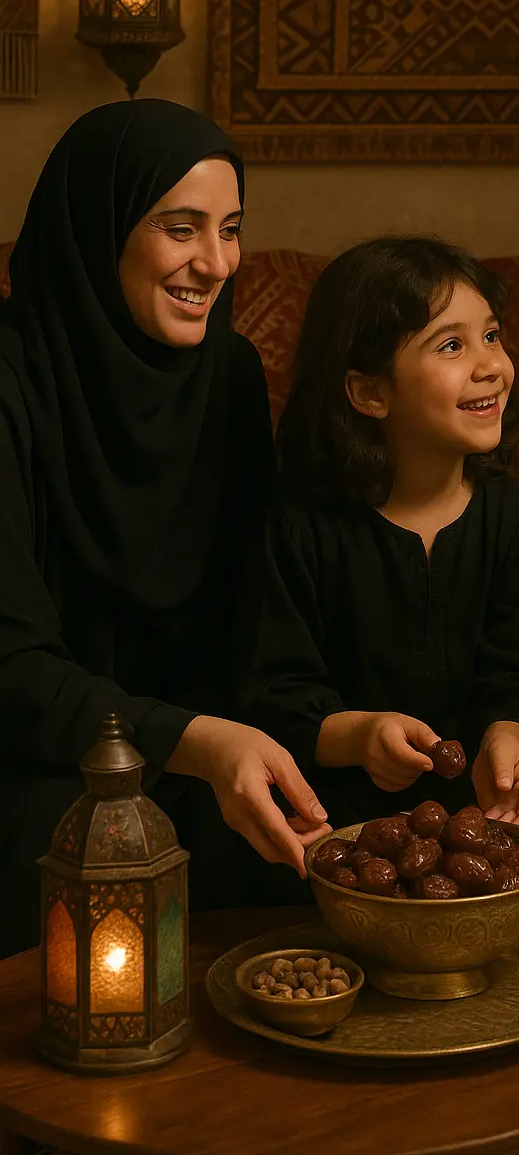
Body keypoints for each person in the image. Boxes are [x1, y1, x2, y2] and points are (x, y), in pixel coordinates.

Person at [0, 100, 329, 958]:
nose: (216, 264)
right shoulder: (9, 385)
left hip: (190, 751)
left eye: (231, 229)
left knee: (307, 842)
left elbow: (251, 619)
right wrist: (196, 745)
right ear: (100, 227)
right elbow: (10, 670)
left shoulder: (227, 377)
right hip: (28, 753)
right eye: (180, 229)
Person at [243, 237, 519, 897]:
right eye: (451, 346)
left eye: (492, 336)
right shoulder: (299, 525)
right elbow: (274, 694)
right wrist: (362, 737)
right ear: (368, 392)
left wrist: (506, 740)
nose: (491, 366)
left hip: (487, 823)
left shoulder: (515, 513)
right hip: (341, 825)